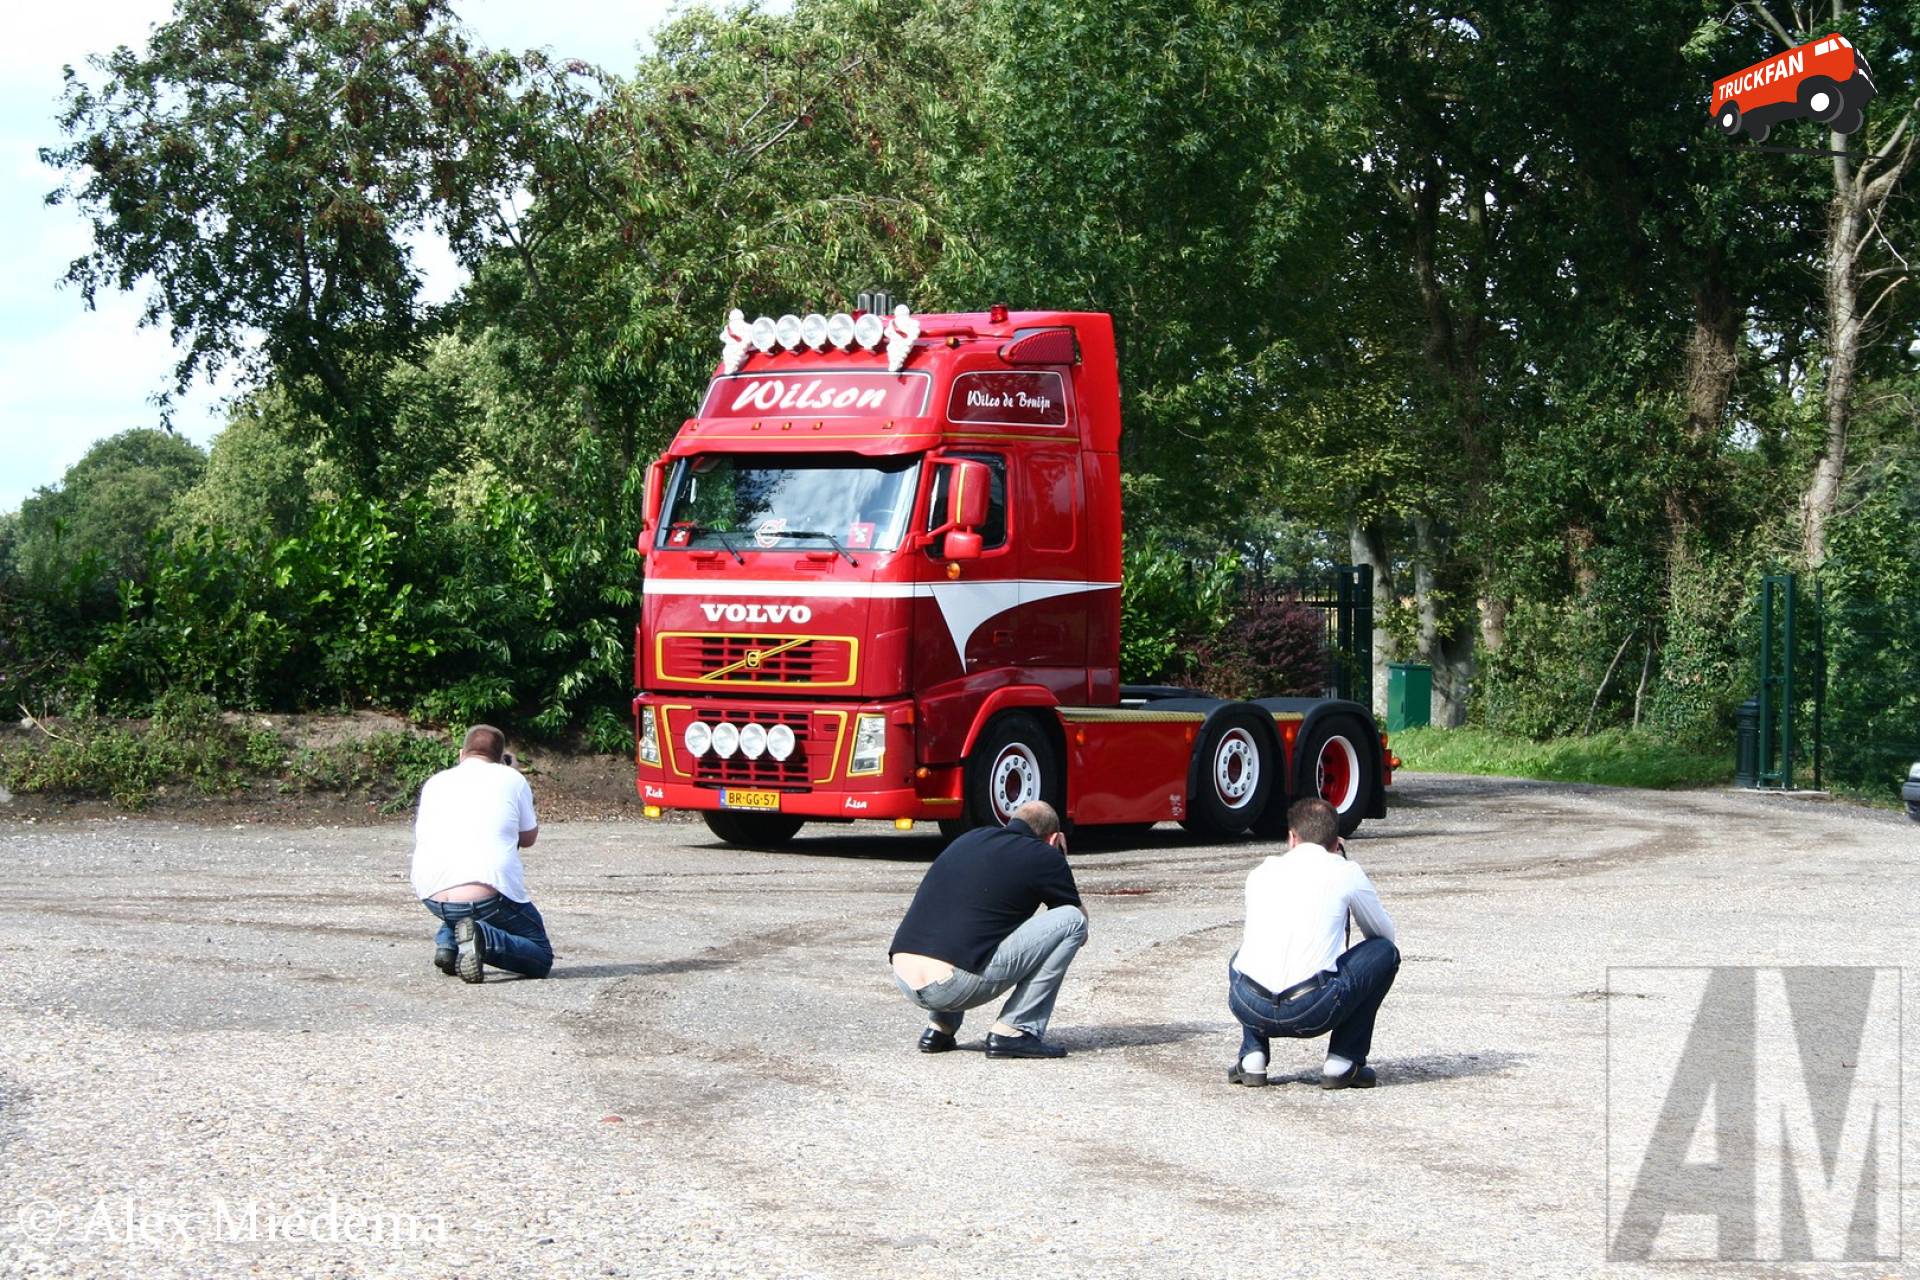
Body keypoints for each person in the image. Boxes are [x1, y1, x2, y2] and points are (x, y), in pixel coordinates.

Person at [888, 800, 1087, 1059]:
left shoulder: (970, 839)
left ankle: (939, 1029)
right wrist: (1058, 859)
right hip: (951, 986)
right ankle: (1015, 1031)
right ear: (1053, 839)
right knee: (1072, 920)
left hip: (904, 976)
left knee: (973, 921)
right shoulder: (1046, 854)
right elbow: (1080, 929)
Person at [1226, 796, 1399, 1089]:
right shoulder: (1345, 872)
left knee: (1241, 957)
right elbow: (1382, 935)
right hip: (1312, 1010)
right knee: (1385, 953)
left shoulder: (1260, 872)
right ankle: (1342, 1061)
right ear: (1335, 841)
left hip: (1248, 1005)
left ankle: (1252, 1056)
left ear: (1293, 837)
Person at [410, 725, 554, 983]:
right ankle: (482, 939)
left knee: (464, 893)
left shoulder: (436, 782)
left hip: (431, 895)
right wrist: (513, 773)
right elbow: (528, 838)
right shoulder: (511, 779)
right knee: (540, 956)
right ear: (500, 758)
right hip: (486, 899)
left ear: (461, 753)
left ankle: (449, 945)